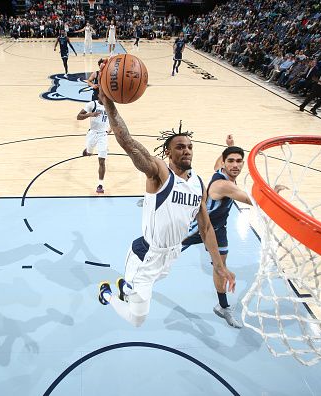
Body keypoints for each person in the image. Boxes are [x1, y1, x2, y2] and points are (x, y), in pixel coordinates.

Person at [96, 88, 236, 327]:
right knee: (137, 319)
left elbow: (206, 229)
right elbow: (128, 143)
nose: (187, 150)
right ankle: (107, 293)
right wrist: (109, 105)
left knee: (141, 293)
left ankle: (127, 287)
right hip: (146, 254)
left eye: (190, 146)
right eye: (180, 147)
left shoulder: (197, 184)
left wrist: (220, 266)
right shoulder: (160, 173)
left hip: (171, 255)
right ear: (168, 152)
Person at [182, 134, 286, 328]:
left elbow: (223, 161)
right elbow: (255, 202)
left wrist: (231, 146)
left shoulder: (220, 169)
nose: (235, 165)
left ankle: (222, 307)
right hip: (198, 228)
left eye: (239, 161)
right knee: (162, 254)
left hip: (219, 228)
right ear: (224, 163)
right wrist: (274, 192)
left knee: (219, 266)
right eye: (231, 161)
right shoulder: (224, 185)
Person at [77, 95, 111, 194]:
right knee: (89, 153)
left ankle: (100, 185)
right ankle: (87, 151)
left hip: (103, 135)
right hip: (92, 133)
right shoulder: (92, 104)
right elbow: (78, 117)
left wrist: (110, 129)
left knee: (101, 161)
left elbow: (113, 120)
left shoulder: (110, 106)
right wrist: (90, 114)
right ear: (99, 95)